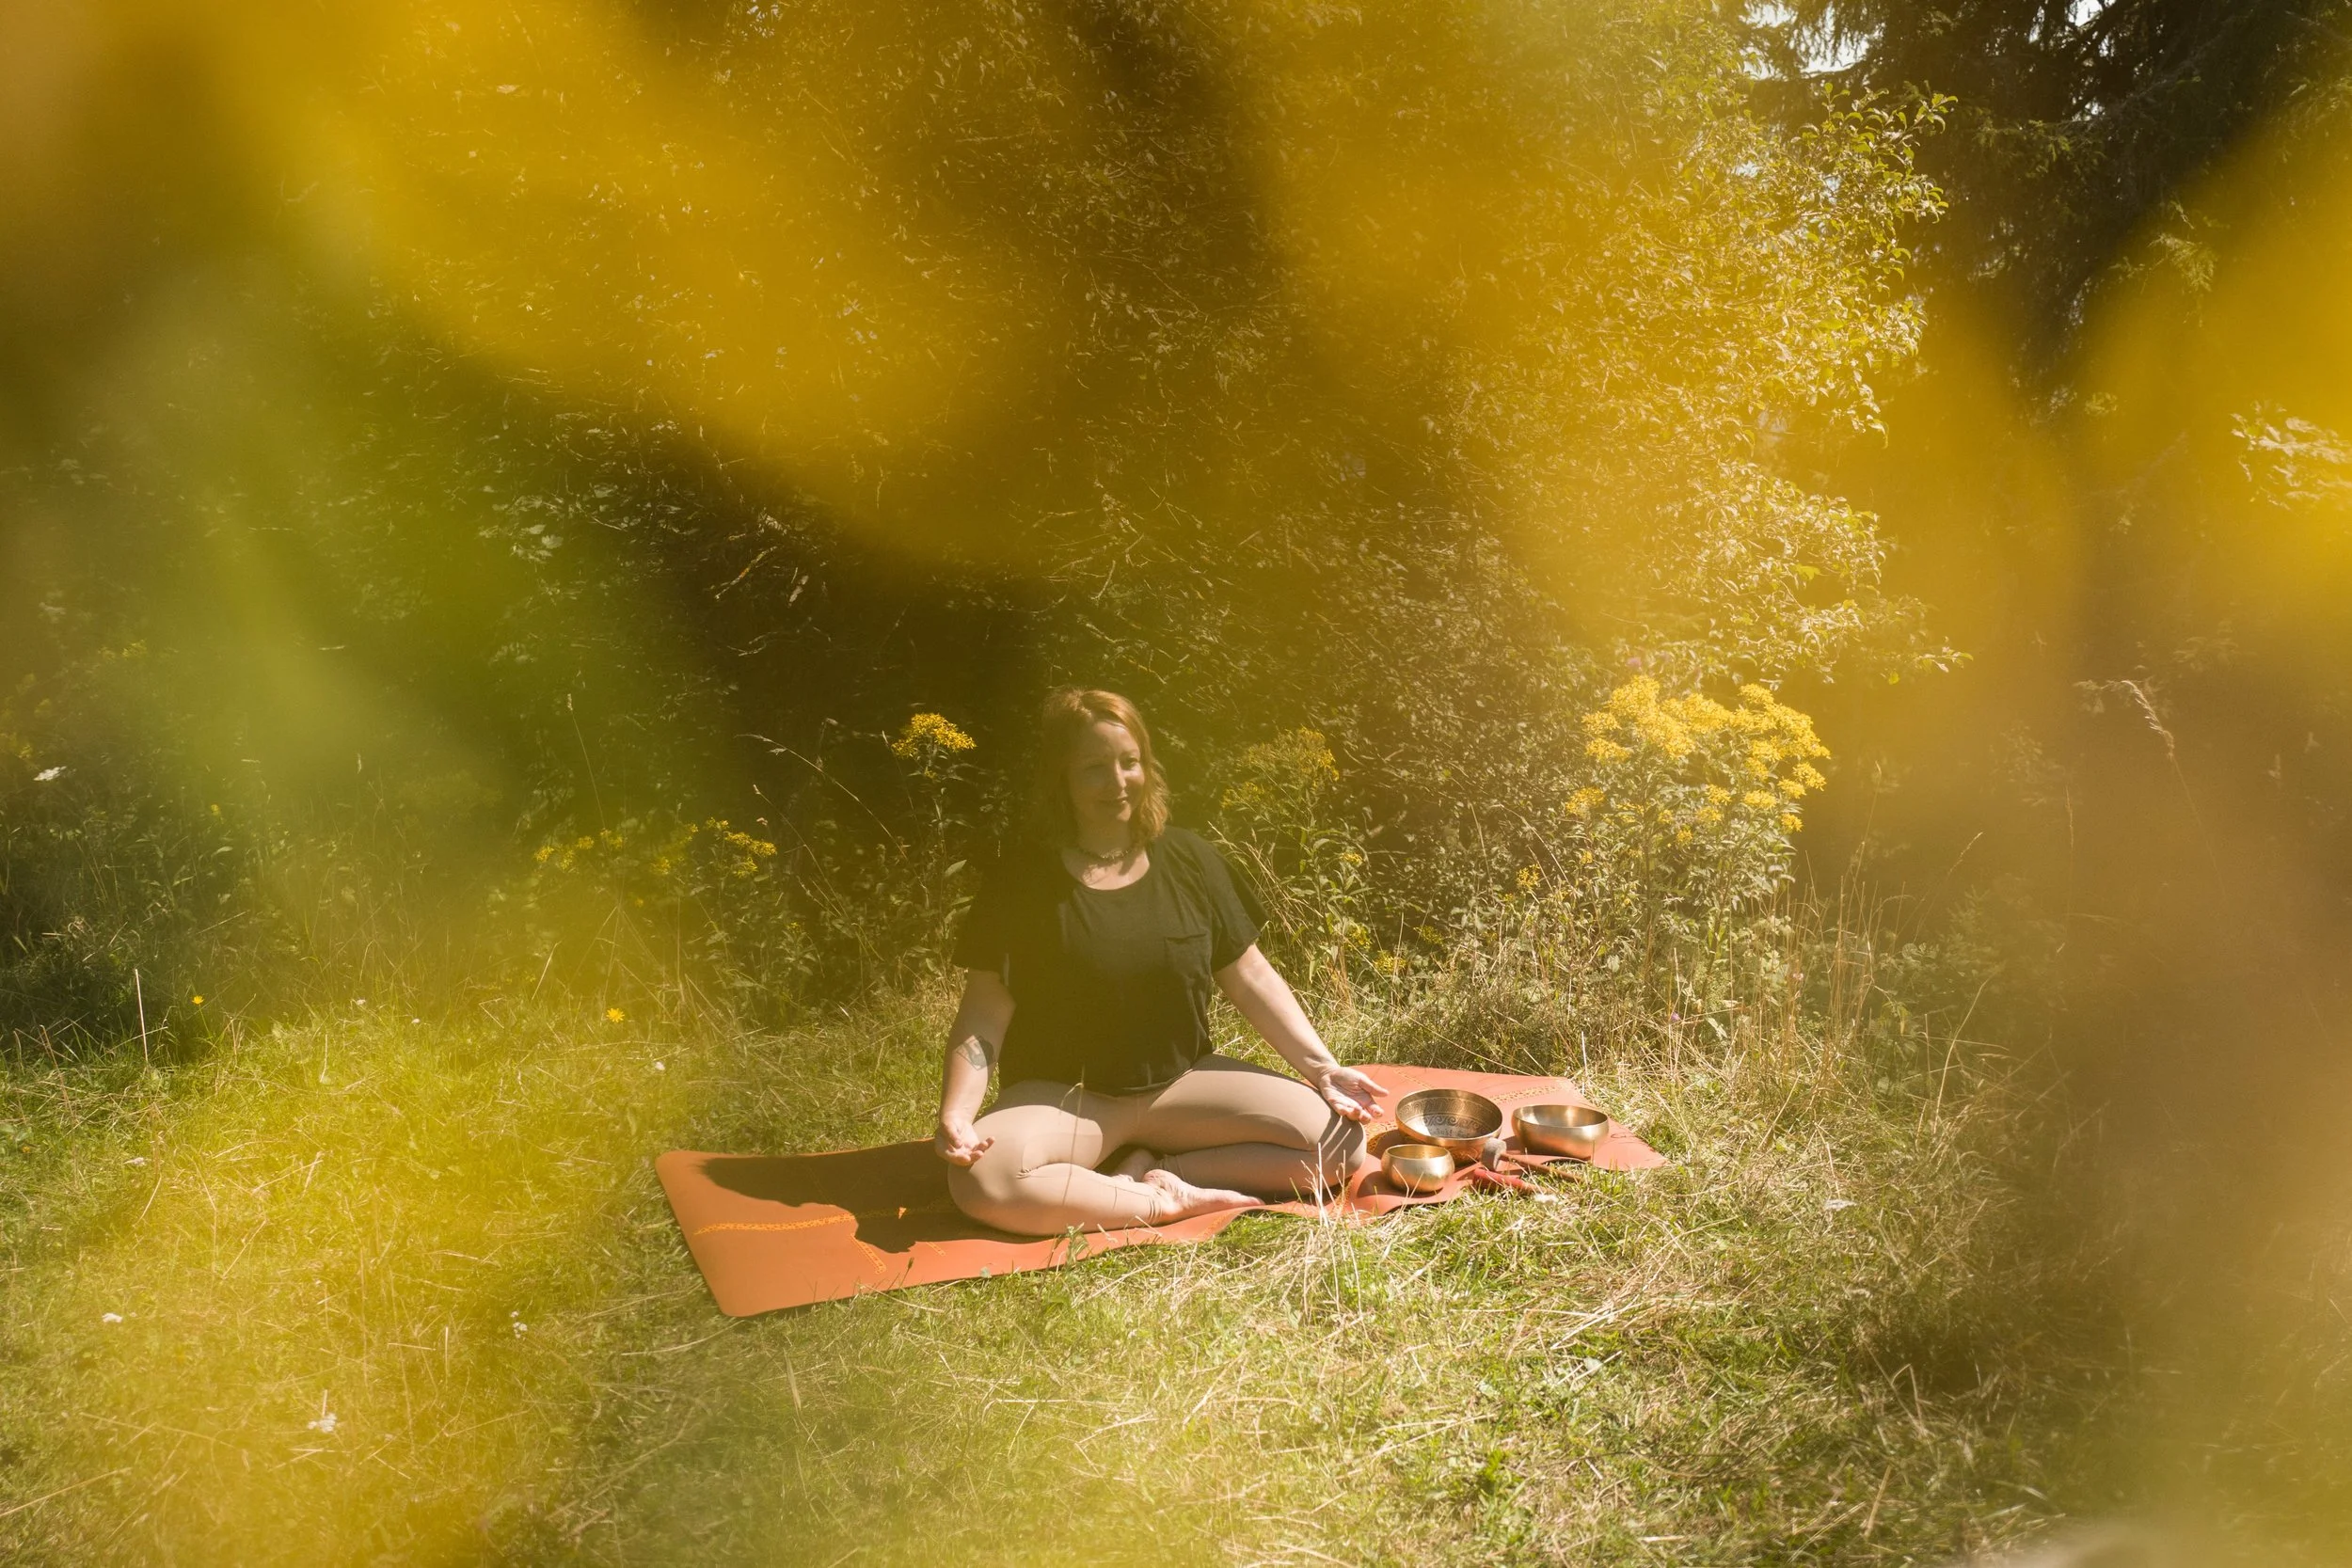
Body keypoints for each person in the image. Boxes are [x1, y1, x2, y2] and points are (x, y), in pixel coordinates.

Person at [934, 688, 1381, 1234]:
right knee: (983, 1180)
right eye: (1094, 768)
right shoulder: (1021, 881)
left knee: (1341, 1145)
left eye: (1130, 762)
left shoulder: (1191, 860)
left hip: (1182, 1085)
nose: (1117, 782)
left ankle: (1166, 1174)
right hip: (1066, 1101)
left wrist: (1323, 1069)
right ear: (1060, 777)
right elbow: (984, 1013)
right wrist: (957, 1113)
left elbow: (1249, 976)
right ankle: (1153, 1203)